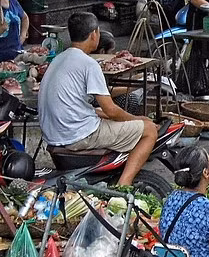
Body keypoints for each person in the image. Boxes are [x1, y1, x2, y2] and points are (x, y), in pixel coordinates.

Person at [38, 12, 157, 187]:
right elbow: (111, 110)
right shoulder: (89, 64)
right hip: (77, 135)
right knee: (149, 130)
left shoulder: (59, 59)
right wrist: (139, 119)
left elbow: (88, 106)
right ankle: (123, 185)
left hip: (55, 134)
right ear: (94, 34)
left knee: (105, 115)